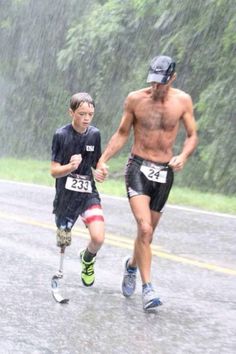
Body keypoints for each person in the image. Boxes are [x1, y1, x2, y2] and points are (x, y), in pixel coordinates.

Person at [96, 55, 198, 310]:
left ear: (172, 79)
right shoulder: (135, 99)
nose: (156, 87)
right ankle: (148, 289)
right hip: (139, 167)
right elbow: (121, 133)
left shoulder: (182, 101)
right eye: (153, 82)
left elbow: (192, 135)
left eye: (161, 83)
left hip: (165, 172)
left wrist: (183, 156)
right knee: (144, 228)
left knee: (147, 234)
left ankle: (131, 266)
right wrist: (103, 159)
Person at [51, 92, 106, 287]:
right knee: (63, 240)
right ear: (71, 112)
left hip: (88, 194)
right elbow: (54, 171)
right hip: (65, 198)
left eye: (90, 114)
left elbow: (97, 161)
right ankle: (59, 276)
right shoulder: (61, 135)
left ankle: (88, 259)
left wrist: (100, 170)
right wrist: (69, 168)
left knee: (98, 238)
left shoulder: (94, 134)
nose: (86, 118)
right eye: (82, 113)